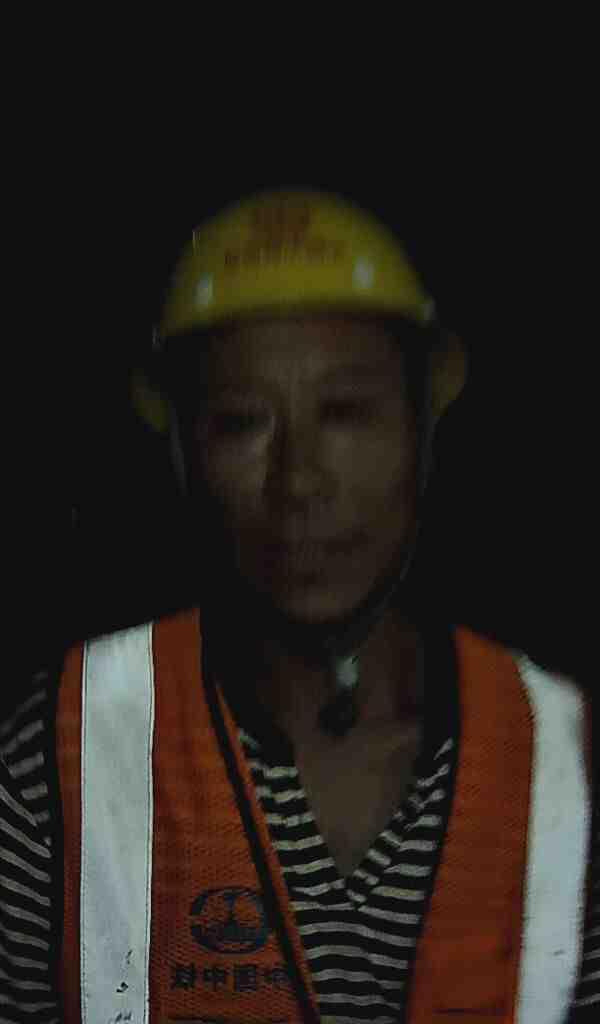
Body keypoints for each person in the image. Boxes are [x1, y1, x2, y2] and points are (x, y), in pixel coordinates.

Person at [0, 190, 597, 1023]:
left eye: (346, 413)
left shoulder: (562, 752)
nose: (299, 481)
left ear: (424, 431)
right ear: (181, 455)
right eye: (241, 422)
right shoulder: (68, 743)